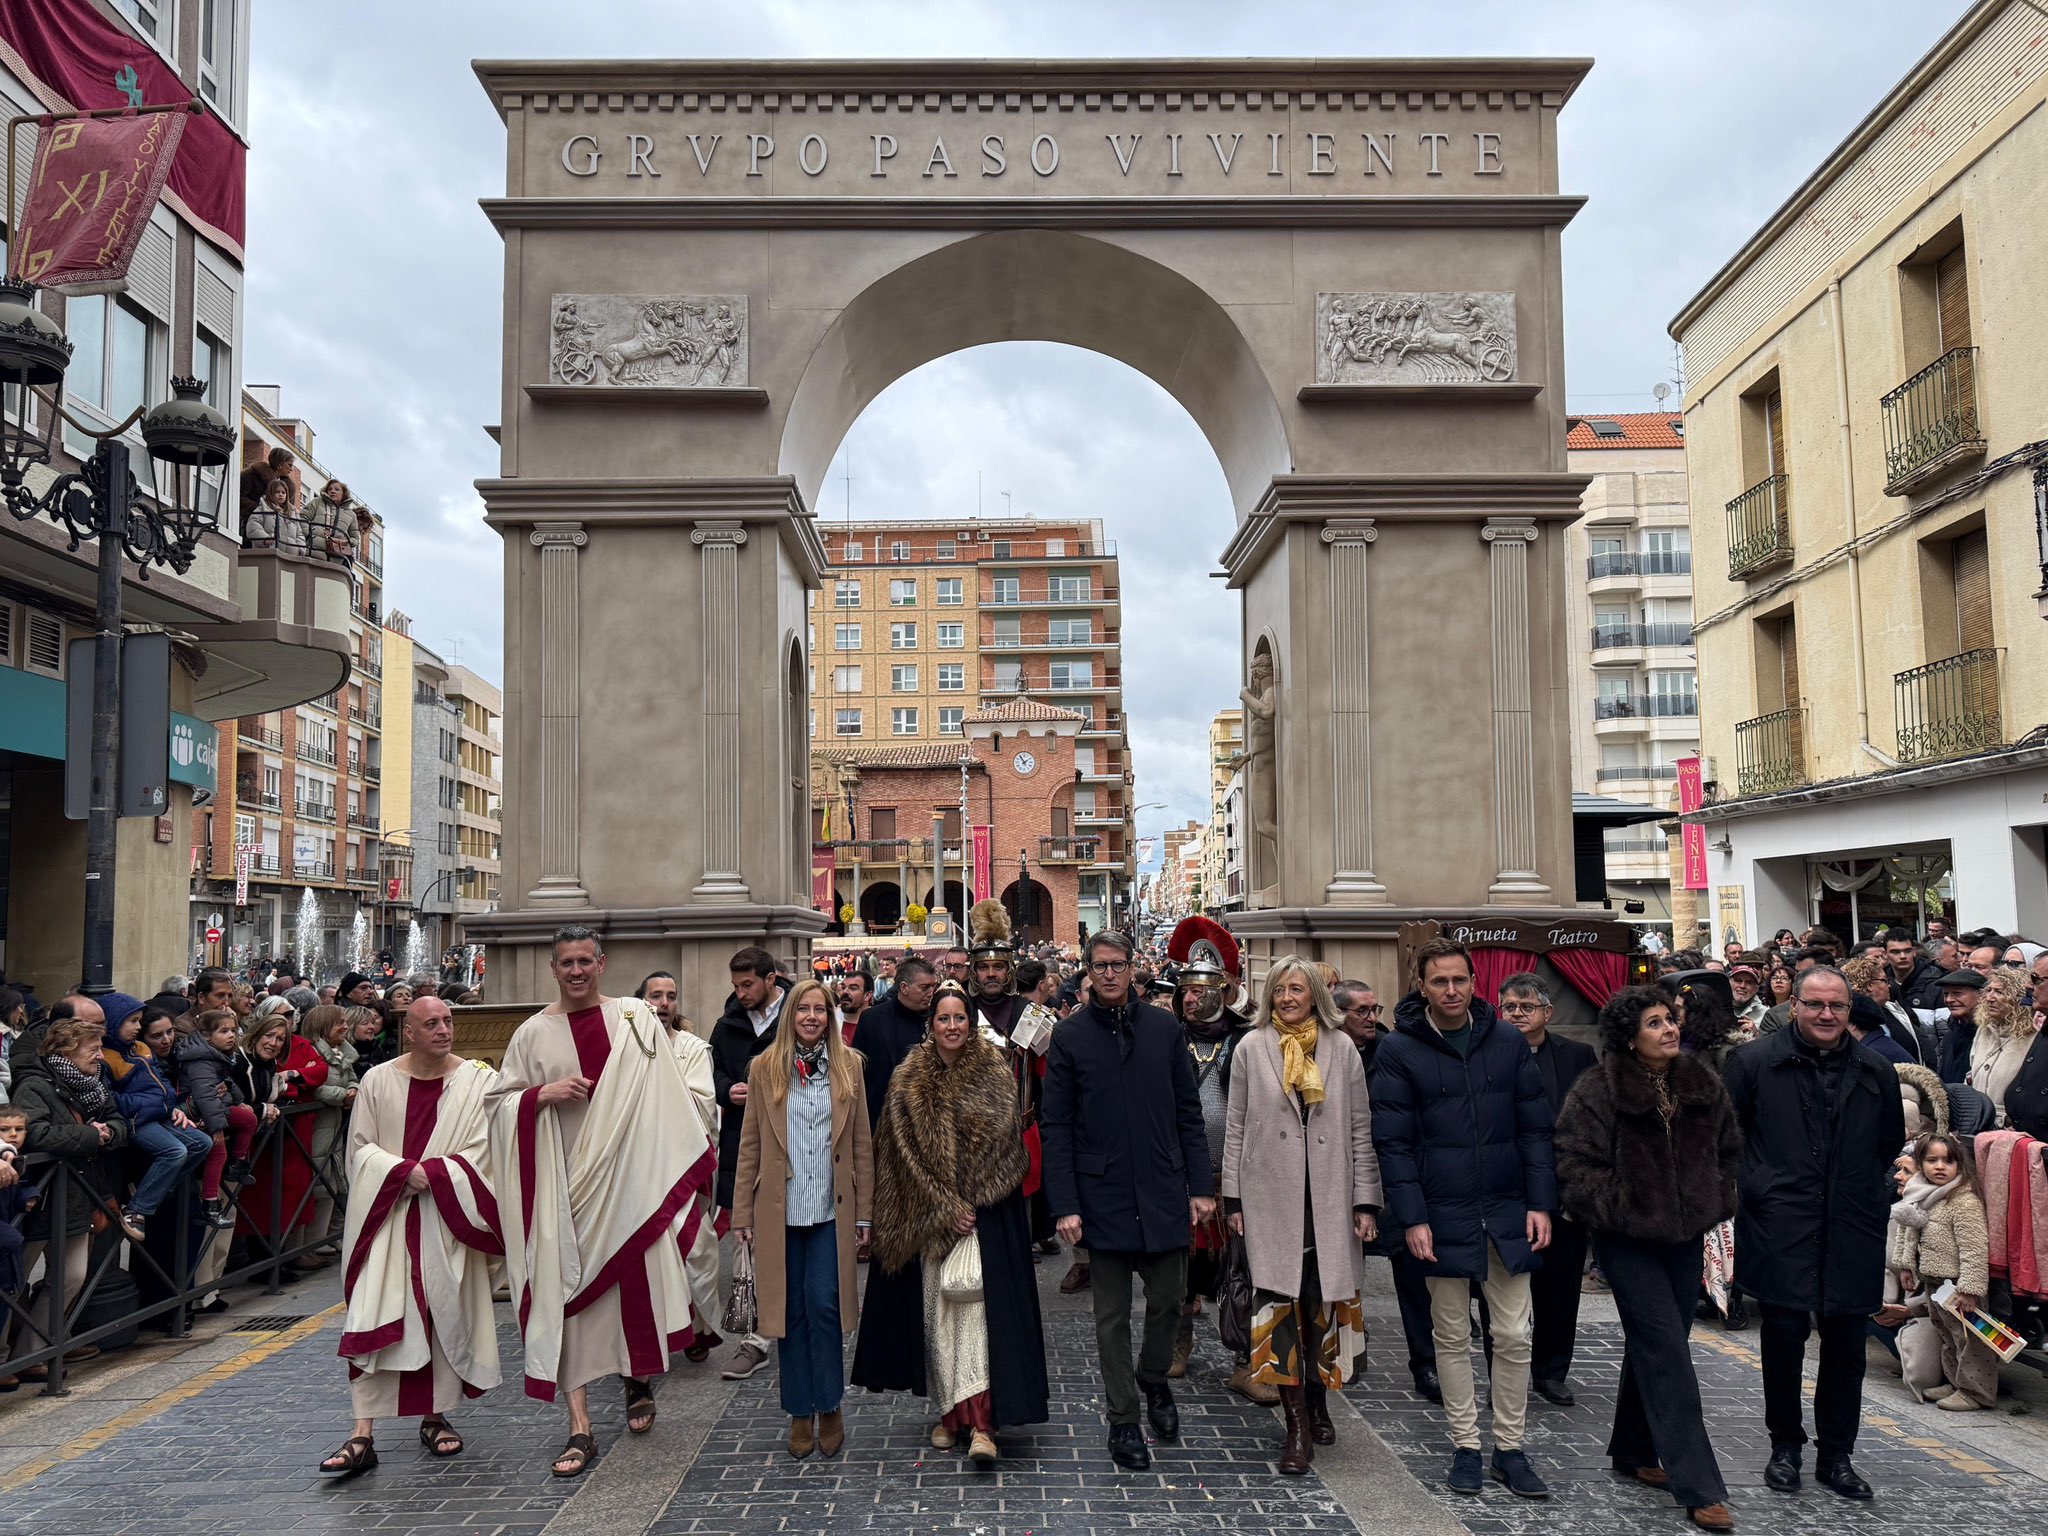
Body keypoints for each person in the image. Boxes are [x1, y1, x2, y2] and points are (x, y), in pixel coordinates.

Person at [488, 926, 717, 1477]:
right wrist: (543, 1094)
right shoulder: (531, 1034)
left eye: (585, 961)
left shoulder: (636, 1020)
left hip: (628, 1186)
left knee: (625, 1297)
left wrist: (661, 1171)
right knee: (563, 1301)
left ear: (601, 963)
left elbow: (668, 1100)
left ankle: (637, 1381)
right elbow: (496, 1106)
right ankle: (579, 1426)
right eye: (566, 962)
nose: (575, 971)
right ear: (553, 968)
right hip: (561, 1190)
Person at [1371, 937, 1557, 1499]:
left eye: (1460, 979)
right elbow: (1393, 1144)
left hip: (1506, 1207)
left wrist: (1541, 1201)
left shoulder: (1506, 1041)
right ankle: (1466, 1447)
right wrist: (1412, 1217)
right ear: (1421, 986)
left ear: (1474, 981)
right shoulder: (1400, 1049)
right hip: (1440, 1210)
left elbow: (1535, 1128)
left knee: (1513, 1333)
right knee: (1449, 1335)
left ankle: (1511, 1447)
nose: (1451, 990)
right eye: (1439, 981)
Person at [1555, 987, 1740, 1533]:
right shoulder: (1599, 1088)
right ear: (1629, 1036)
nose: (1668, 1029)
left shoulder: (1700, 1081)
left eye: (1670, 1020)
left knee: (1661, 1342)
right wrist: (1621, 1206)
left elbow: (1729, 1148)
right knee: (1664, 1346)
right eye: (1654, 1022)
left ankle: (1633, 1449)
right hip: (1627, 1237)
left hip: (1685, 1236)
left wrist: (1716, 1194)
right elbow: (1574, 1162)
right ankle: (1699, 1484)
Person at [1722, 964, 1902, 1501]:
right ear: (1794, 1005)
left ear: (1851, 1011)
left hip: (1852, 1222)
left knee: (1847, 1347)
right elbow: (1729, 1137)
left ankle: (1837, 1455)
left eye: (1838, 1006)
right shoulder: (1753, 1063)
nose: (1827, 1015)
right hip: (1782, 1221)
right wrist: (1758, 1188)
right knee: (1783, 1340)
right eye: (1816, 1004)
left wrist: (1868, 1195)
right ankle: (1785, 1446)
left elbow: (1887, 1142)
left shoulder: (1875, 1071)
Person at [1041, 930, 1214, 1472]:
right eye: (1101, 966)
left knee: (1169, 1300)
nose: (1111, 974)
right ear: (1088, 972)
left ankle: (1154, 1375)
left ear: (1129, 968)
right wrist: (1064, 1204)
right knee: (1110, 1318)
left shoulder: (1165, 1030)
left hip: (1162, 1188)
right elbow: (1057, 1126)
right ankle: (1123, 1419)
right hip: (1102, 1195)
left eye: (1118, 965)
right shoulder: (1069, 1038)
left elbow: (1189, 1112)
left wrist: (1202, 1186)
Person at [319, 998, 503, 1478]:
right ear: (410, 1033)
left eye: (447, 1022)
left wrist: (439, 1175)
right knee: (374, 1313)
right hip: (389, 1215)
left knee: (439, 1314)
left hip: (447, 1217)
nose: (443, 1030)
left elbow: (486, 1150)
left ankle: (435, 1417)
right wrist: (403, 1172)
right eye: (431, 1024)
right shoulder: (379, 1080)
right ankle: (363, 1434)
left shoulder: (476, 1081)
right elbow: (360, 1150)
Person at [865, 982, 1047, 1466]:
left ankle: (984, 1425)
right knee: (939, 1319)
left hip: (986, 1222)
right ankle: (950, 1413)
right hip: (932, 1224)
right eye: (943, 1019)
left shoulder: (994, 1071)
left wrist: (975, 1199)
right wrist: (943, 1206)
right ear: (932, 1025)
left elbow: (1008, 1145)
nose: (952, 1027)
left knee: (980, 1323)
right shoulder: (908, 1079)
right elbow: (898, 1154)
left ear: (971, 1023)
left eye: (960, 1018)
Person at [1222, 957, 1379, 1475]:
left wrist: (1364, 1202)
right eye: (1279, 990)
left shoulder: (1342, 1050)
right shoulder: (1251, 1047)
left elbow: (1360, 1130)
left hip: (1329, 1203)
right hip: (1271, 1201)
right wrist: (1233, 1199)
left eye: (1297, 989)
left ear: (1315, 994)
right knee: (1279, 1312)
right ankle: (1296, 1428)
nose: (1287, 998)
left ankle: (1319, 1401)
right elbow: (1236, 1128)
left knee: (1321, 1309)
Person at [732, 980, 874, 1460]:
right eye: (803, 1009)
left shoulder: (849, 1066)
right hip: (780, 1211)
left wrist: (866, 1215)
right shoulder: (765, 1069)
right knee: (788, 1315)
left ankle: (829, 1405)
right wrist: (741, 1214)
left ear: (829, 1017)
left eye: (820, 1009)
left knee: (825, 1307)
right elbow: (749, 1144)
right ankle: (798, 1409)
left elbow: (861, 1145)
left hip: (831, 1210)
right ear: (790, 1015)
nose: (812, 1017)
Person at [1496, 973, 1595, 1407]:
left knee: (1561, 1287)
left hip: (1563, 1193)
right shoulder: (1487, 1054)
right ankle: (1503, 1376)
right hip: (1507, 1192)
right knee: (1502, 1294)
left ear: (1547, 1013)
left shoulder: (1578, 1055)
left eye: (1526, 1007)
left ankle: (1552, 1371)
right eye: (1510, 1008)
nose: (1517, 1015)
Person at [848, 957, 941, 1397]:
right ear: (902, 988)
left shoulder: (939, 1017)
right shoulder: (874, 1022)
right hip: (888, 1147)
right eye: (925, 987)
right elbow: (865, 1086)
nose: (931, 992)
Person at [1172, 954, 1263, 1400]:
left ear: (1219, 994)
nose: (1189, 999)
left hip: (1235, 1177)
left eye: (1199, 992)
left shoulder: (1245, 1041)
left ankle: (1245, 1361)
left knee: (1241, 1269)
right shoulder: (1168, 1038)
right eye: (1185, 991)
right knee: (1180, 1269)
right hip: (1183, 1175)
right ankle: (1178, 1342)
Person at [711, 947, 792, 1382]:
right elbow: (715, 1069)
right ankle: (757, 1338)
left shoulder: (802, 1013)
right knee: (752, 1240)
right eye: (736, 986)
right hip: (747, 1140)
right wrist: (728, 1089)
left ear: (771, 979)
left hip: (796, 1144)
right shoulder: (727, 1024)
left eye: (748, 985)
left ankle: (793, 1323)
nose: (741, 993)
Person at [635, 971, 723, 1361]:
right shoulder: (626, 1049)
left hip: (686, 1164)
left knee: (697, 1247)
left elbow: (704, 1102)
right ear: (641, 1001)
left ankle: (700, 1325)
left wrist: (658, 1097)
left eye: (671, 996)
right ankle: (667, 1328)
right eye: (656, 996)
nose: (664, 1003)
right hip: (642, 1167)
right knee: (654, 1254)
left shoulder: (691, 1048)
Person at [1886, 1132, 1995, 1411]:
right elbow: (1908, 1234)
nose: (1939, 1167)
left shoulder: (1963, 1201)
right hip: (1935, 1282)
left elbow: (1974, 1248)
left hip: (1958, 1285)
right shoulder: (1922, 1195)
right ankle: (1954, 1381)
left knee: (1970, 1340)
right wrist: (1905, 1268)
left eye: (1947, 1161)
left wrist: (1969, 1289)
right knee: (1947, 1335)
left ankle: (1976, 1392)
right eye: (1932, 1160)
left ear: (1960, 1164)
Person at [99, 995, 210, 1244]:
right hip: (138, 1119)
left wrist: (170, 1105)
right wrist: (155, 1104)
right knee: (174, 1151)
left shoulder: (140, 1049)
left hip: (159, 1113)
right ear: (115, 1022)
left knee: (201, 1143)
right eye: (132, 1021)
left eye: (139, 1021)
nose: (137, 1027)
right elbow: (112, 1099)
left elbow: (162, 1082)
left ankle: (152, 1193)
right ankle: (136, 1209)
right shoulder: (106, 1056)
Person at [176, 1009, 258, 1226]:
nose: (231, 1035)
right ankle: (210, 1204)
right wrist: (216, 1128)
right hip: (199, 1115)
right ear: (206, 1036)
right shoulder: (200, 1060)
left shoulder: (216, 1054)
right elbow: (205, 1096)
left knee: (249, 1119)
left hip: (216, 1109)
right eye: (224, 1031)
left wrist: (239, 1101)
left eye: (233, 1030)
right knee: (218, 1151)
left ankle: (238, 1165)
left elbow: (225, 1082)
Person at [1964, 969, 2035, 1123]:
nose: (1989, 998)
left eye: (1999, 992)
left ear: (2018, 998)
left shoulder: (2035, 1036)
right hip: (1976, 1120)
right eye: (1988, 990)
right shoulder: (1983, 1030)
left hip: (2012, 1126)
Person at [1935, 968, 1986, 1083]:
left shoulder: (1989, 1034)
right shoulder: (1950, 1035)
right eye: (1946, 994)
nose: (1949, 1000)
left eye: (1957, 993)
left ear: (1981, 995)